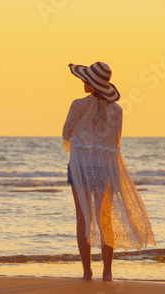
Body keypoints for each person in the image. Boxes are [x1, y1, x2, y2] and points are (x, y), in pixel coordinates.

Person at [63, 62, 156, 281]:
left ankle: (87, 273)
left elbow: (67, 134)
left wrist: (84, 139)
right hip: (106, 167)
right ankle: (108, 273)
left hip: (81, 165)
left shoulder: (77, 105)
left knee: (83, 219)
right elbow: (116, 140)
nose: (83, 82)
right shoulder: (117, 110)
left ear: (91, 83)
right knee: (105, 217)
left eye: (85, 79)